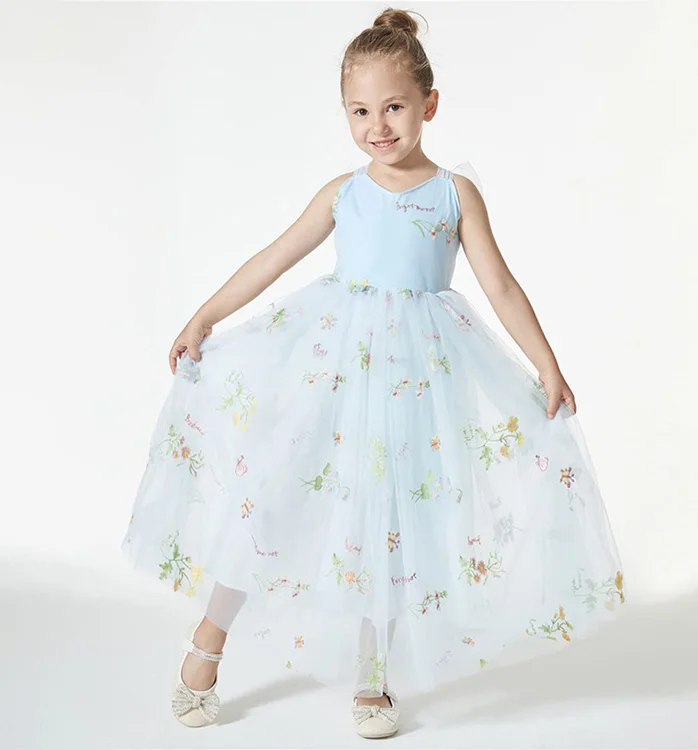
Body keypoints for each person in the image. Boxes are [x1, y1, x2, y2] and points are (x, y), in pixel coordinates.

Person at [121, 6, 626, 739]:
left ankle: (373, 673)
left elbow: (501, 286)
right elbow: (272, 258)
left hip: (417, 380)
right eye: (360, 111)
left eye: (393, 107)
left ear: (429, 104)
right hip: (331, 369)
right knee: (275, 498)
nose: (377, 125)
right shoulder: (343, 193)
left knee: (391, 523)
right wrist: (206, 315)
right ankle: (208, 640)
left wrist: (547, 364)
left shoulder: (454, 193)